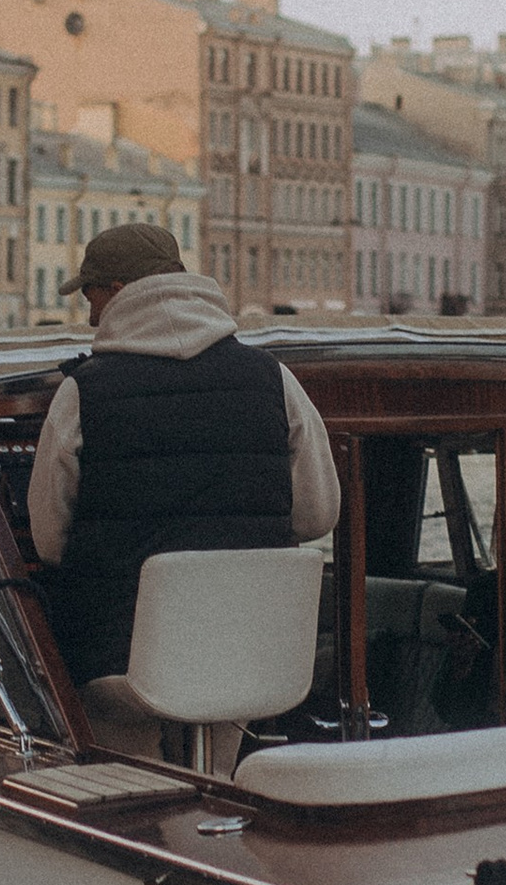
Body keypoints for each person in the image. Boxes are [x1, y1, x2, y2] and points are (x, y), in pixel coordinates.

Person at [26, 224, 340, 751]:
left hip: (120, 659)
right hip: (250, 654)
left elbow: (51, 542)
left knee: (131, 782)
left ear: (119, 289)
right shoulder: (273, 378)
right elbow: (317, 514)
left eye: (90, 294)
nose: (88, 315)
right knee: (219, 768)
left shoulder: (83, 392)